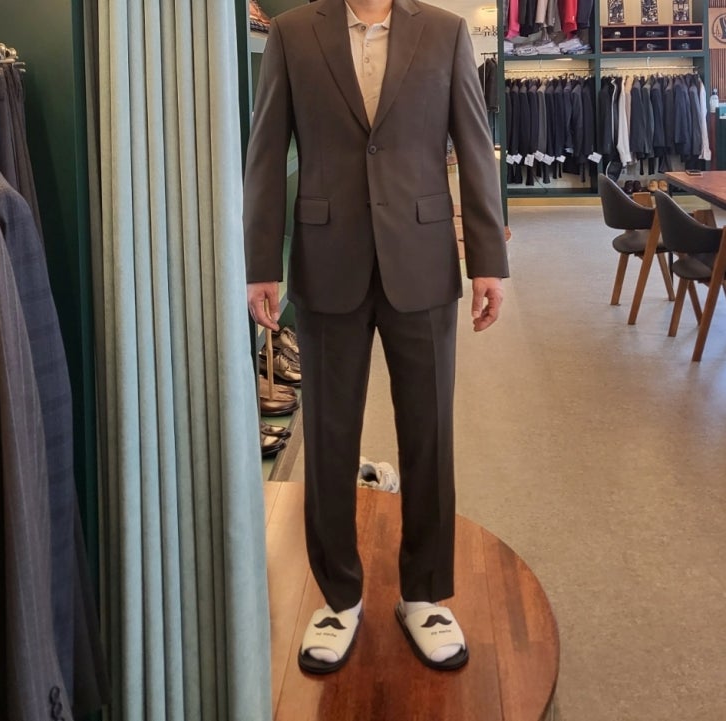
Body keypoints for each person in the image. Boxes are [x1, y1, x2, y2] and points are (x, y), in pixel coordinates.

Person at [244, 0, 509, 674]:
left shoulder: (445, 33)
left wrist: (487, 258)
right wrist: (260, 265)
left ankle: (424, 594)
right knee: (329, 437)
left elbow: (473, 146)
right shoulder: (292, 35)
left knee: (429, 432)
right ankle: (338, 596)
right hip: (326, 260)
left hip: (421, 259)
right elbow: (266, 151)